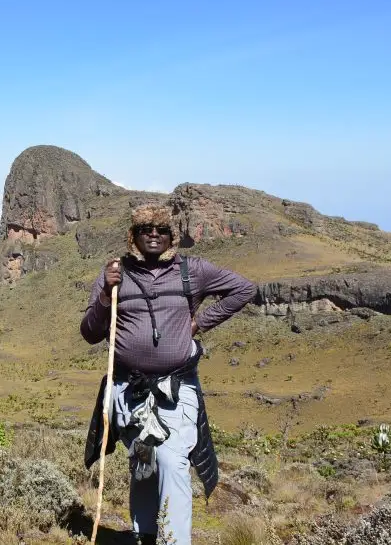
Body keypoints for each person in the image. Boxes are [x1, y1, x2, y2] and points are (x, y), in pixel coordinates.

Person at [80, 203, 256, 545]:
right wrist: (104, 294)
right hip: (128, 388)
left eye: (161, 230)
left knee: (172, 459)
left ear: (172, 235)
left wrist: (199, 322)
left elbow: (244, 289)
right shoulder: (115, 274)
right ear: (133, 236)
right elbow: (90, 332)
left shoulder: (192, 271)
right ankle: (144, 534)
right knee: (143, 459)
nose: (154, 235)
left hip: (176, 387)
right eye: (146, 229)